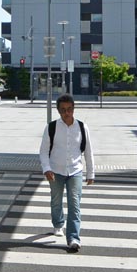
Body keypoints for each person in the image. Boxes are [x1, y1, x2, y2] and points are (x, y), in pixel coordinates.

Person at [39, 94, 95, 252]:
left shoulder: (82, 127)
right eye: (63, 110)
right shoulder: (51, 127)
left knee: (74, 204)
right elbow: (43, 151)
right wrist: (47, 168)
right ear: (58, 111)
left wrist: (91, 173)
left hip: (75, 170)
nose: (67, 113)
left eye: (69, 109)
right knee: (56, 201)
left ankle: (73, 238)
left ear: (73, 109)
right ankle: (58, 224)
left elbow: (88, 151)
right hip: (55, 170)